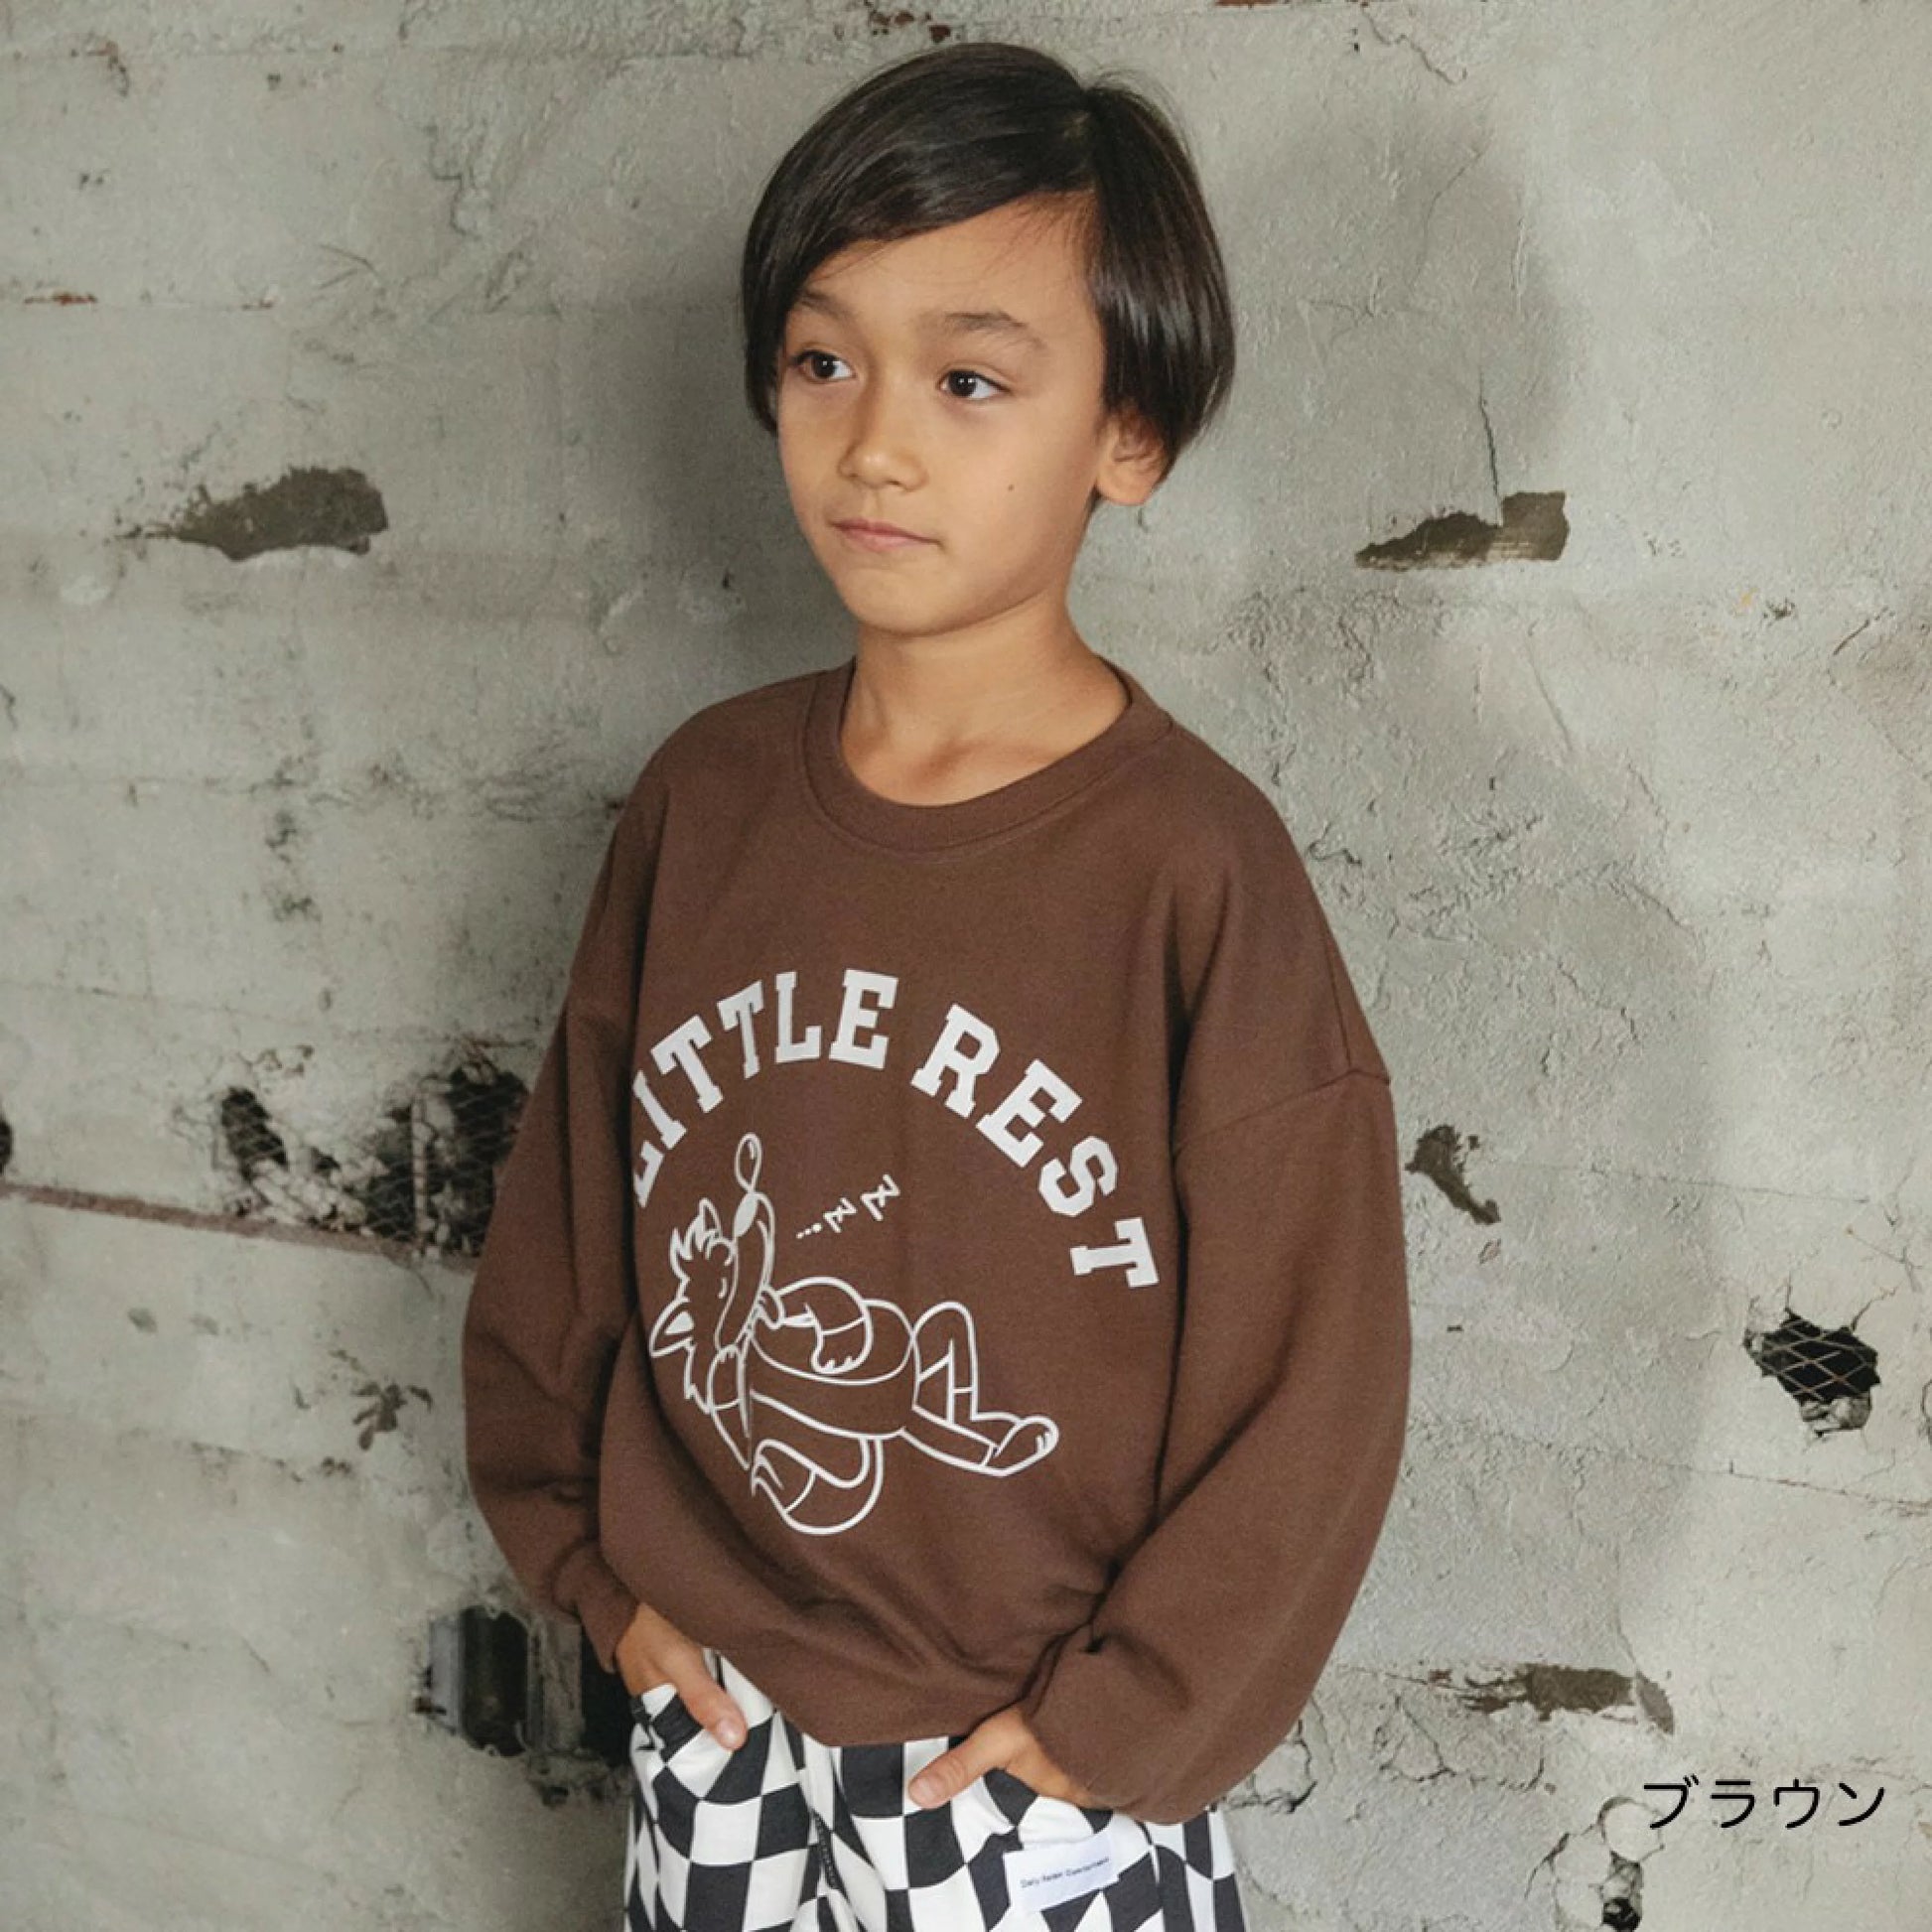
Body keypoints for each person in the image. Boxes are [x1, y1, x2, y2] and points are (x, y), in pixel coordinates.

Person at [462, 38, 1411, 1932]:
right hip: (714, 1724)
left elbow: (1315, 1369)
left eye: (969, 380)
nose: (874, 443)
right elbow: (569, 1218)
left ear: (1125, 435)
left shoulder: (1188, 868)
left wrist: (1121, 1719)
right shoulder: (706, 799)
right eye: (824, 362)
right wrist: (588, 1565)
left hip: (1019, 1761)